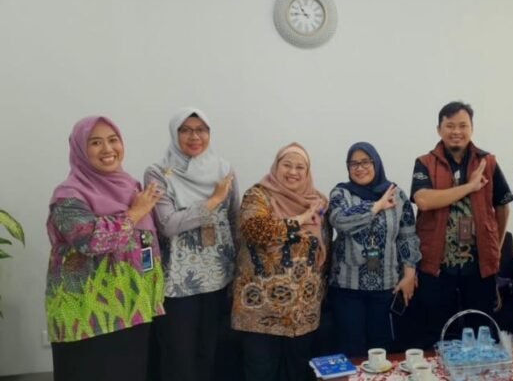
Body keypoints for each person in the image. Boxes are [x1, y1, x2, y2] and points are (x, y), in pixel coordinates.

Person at [46, 116, 165, 381]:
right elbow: (90, 241)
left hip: (133, 307)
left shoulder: (131, 187)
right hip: (88, 316)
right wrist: (134, 213)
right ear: (80, 149)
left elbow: (146, 243)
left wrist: (153, 293)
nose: (108, 149)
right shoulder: (68, 195)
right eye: (95, 142)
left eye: (113, 140)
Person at [143, 108, 239, 381]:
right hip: (178, 282)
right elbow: (168, 224)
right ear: (175, 134)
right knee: (179, 356)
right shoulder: (158, 173)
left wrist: (239, 269)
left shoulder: (224, 169)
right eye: (185, 130)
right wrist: (212, 201)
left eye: (201, 130)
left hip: (218, 275)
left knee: (210, 354)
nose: (194, 137)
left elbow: (234, 218)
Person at [410, 101, 512, 348]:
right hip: (436, 265)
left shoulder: (488, 162)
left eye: (463, 125)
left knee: (481, 333)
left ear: (472, 128)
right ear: (439, 129)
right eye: (450, 126)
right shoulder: (425, 162)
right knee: (435, 334)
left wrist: (495, 248)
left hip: (479, 266)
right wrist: (469, 187)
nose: (456, 131)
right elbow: (424, 200)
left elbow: (502, 206)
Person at [232, 142, 329, 381]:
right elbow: (255, 230)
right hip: (261, 313)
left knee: (297, 374)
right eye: (287, 165)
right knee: (261, 373)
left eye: (300, 167)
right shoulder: (258, 196)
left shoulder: (318, 201)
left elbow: (325, 247)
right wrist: (300, 219)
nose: (293, 172)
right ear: (276, 166)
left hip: (303, 313)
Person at [328, 142, 421, 356]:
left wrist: (409, 274)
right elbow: (340, 220)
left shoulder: (396, 194)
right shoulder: (341, 193)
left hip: (387, 287)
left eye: (365, 162)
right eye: (353, 164)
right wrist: (377, 206)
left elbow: (407, 236)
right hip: (348, 287)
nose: (359, 168)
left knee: (382, 351)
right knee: (352, 350)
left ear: (376, 163)